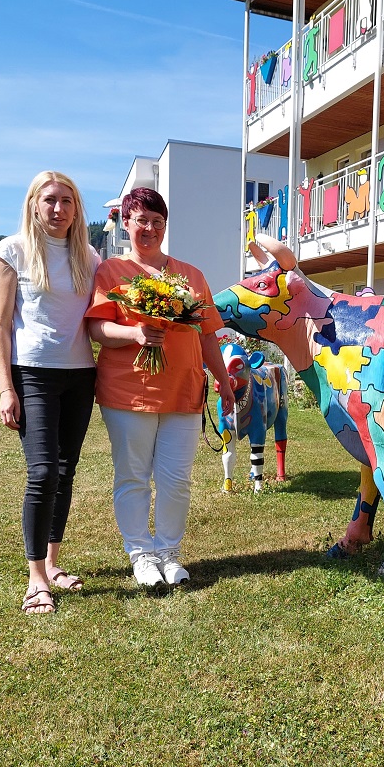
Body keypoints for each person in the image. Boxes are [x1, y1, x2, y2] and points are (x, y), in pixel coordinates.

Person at [85, 187, 234, 589]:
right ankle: (141, 555)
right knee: (132, 476)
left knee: (176, 478)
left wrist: (223, 379)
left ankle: (169, 552)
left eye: (157, 221)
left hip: (184, 390)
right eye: (141, 221)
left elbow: (207, 336)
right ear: (126, 224)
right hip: (128, 392)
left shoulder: (190, 275)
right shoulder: (111, 272)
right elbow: (98, 328)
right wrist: (134, 332)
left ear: (165, 226)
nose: (149, 228)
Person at [0, 171, 100, 614]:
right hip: (33, 373)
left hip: (81, 374)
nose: (58, 209)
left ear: (77, 209)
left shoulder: (89, 256)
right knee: (42, 473)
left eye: (67, 201)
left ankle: (52, 564)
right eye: (50, 200)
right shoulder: (12, 251)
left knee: (66, 469)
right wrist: (5, 388)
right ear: (34, 203)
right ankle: (36, 577)